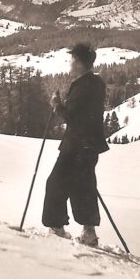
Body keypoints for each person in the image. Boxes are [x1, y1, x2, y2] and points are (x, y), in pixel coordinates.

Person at [41, 42, 109, 246]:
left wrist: (56, 105)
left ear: (79, 62)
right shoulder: (96, 83)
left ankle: (57, 228)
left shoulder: (83, 85)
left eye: (72, 59)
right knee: (84, 187)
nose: (70, 63)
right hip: (89, 145)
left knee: (55, 183)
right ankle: (88, 233)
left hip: (76, 145)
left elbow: (72, 116)